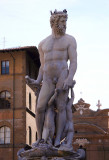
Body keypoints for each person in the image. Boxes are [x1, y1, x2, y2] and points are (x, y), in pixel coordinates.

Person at [26, 9, 77, 147]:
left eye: (65, 21)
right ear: (54, 22)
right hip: (48, 78)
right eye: (62, 22)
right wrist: (37, 81)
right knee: (40, 107)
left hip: (62, 75)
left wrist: (69, 78)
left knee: (61, 107)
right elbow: (42, 66)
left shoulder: (70, 40)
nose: (65, 24)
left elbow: (73, 62)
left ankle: (57, 139)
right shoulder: (42, 44)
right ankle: (41, 138)